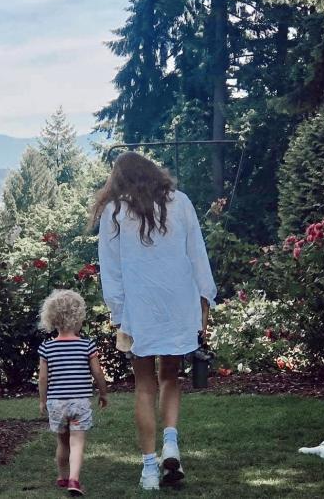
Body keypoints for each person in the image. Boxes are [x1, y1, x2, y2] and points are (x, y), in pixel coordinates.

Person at [92, 152, 216, 490]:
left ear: (120, 179)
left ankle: (149, 468)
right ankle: (171, 443)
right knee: (171, 377)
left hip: (140, 310)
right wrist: (205, 300)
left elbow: (112, 273)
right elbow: (197, 254)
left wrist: (119, 316)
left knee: (144, 385)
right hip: (177, 306)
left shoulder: (114, 212)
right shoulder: (182, 203)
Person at [38, 289, 108, 497]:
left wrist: (43, 401)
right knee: (77, 443)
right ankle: (74, 480)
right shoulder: (87, 345)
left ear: (52, 319)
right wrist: (103, 393)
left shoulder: (46, 348)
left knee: (62, 441)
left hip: (56, 403)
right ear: (78, 318)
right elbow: (98, 372)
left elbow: (43, 378)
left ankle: (61, 476)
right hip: (79, 403)